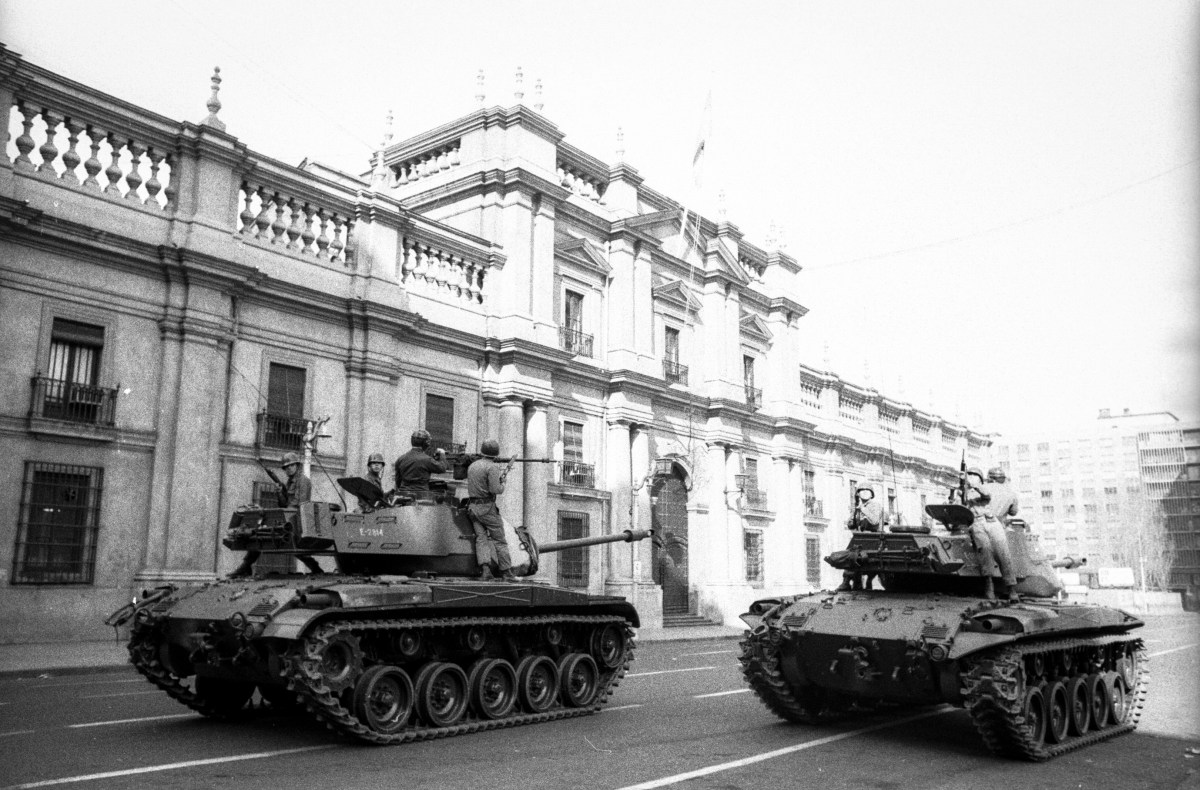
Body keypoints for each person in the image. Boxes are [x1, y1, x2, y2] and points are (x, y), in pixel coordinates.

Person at [231, 452, 322, 576]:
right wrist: (280, 493)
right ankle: (246, 566)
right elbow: (283, 504)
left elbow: (301, 502)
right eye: (286, 467)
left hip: (298, 517)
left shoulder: (303, 481)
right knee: (261, 534)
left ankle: (315, 567)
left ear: (297, 465)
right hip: (288, 515)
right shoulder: (290, 482)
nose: (288, 469)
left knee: (295, 545)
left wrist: (286, 511)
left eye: (291, 466)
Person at [964, 467, 1016, 601]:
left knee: (986, 552)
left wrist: (970, 487)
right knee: (1001, 554)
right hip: (990, 522)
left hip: (985, 522)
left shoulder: (980, 488)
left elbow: (984, 495)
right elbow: (1013, 512)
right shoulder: (1010, 492)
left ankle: (991, 586)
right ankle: (1010, 589)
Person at [465, 439, 513, 580]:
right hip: (487, 509)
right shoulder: (492, 467)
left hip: (473, 508)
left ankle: (485, 571)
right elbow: (495, 489)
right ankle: (506, 572)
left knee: (481, 539)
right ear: (496, 454)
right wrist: (503, 483)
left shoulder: (473, 466)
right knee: (500, 540)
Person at [836, 487, 887, 591]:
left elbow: (874, 521)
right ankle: (850, 582)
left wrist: (862, 510)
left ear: (871, 494)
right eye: (861, 491)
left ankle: (865, 581)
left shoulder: (875, 505)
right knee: (850, 556)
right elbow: (851, 524)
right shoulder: (859, 507)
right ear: (858, 494)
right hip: (860, 537)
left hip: (874, 536)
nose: (864, 493)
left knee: (860, 558)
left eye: (867, 490)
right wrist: (853, 518)